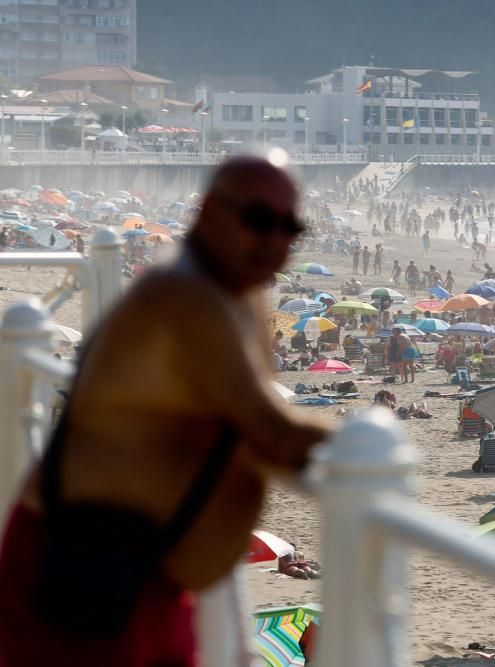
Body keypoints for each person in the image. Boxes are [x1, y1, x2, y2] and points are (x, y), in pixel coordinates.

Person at [0, 155, 330, 666]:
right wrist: (370, 456)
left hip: (151, 571)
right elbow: (269, 429)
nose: (276, 239)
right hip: (84, 565)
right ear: (208, 214)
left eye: (291, 226)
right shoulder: (186, 295)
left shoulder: (237, 295)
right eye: (260, 220)